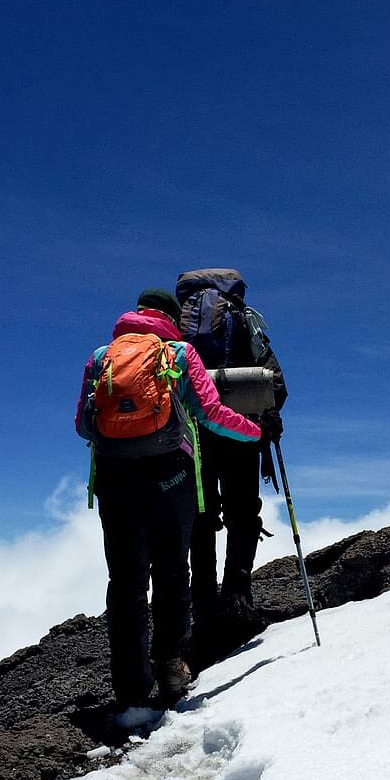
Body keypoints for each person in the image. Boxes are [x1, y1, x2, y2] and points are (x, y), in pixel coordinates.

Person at [75, 288, 261, 711]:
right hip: (170, 477)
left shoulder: (101, 355)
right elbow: (211, 414)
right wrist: (254, 431)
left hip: (115, 479)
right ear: (173, 318)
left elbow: (84, 427)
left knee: (125, 582)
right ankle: (172, 670)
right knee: (173, 571)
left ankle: (130, 686)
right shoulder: (178, 353)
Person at [173, 269, 287, 643]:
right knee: (242, 512)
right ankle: (237, 595)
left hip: (193, 436)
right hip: (242, 432)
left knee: (201, 516)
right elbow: (276, 383)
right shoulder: (243, 319)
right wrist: (264, 417)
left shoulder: (176, 329)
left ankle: (202, 605)